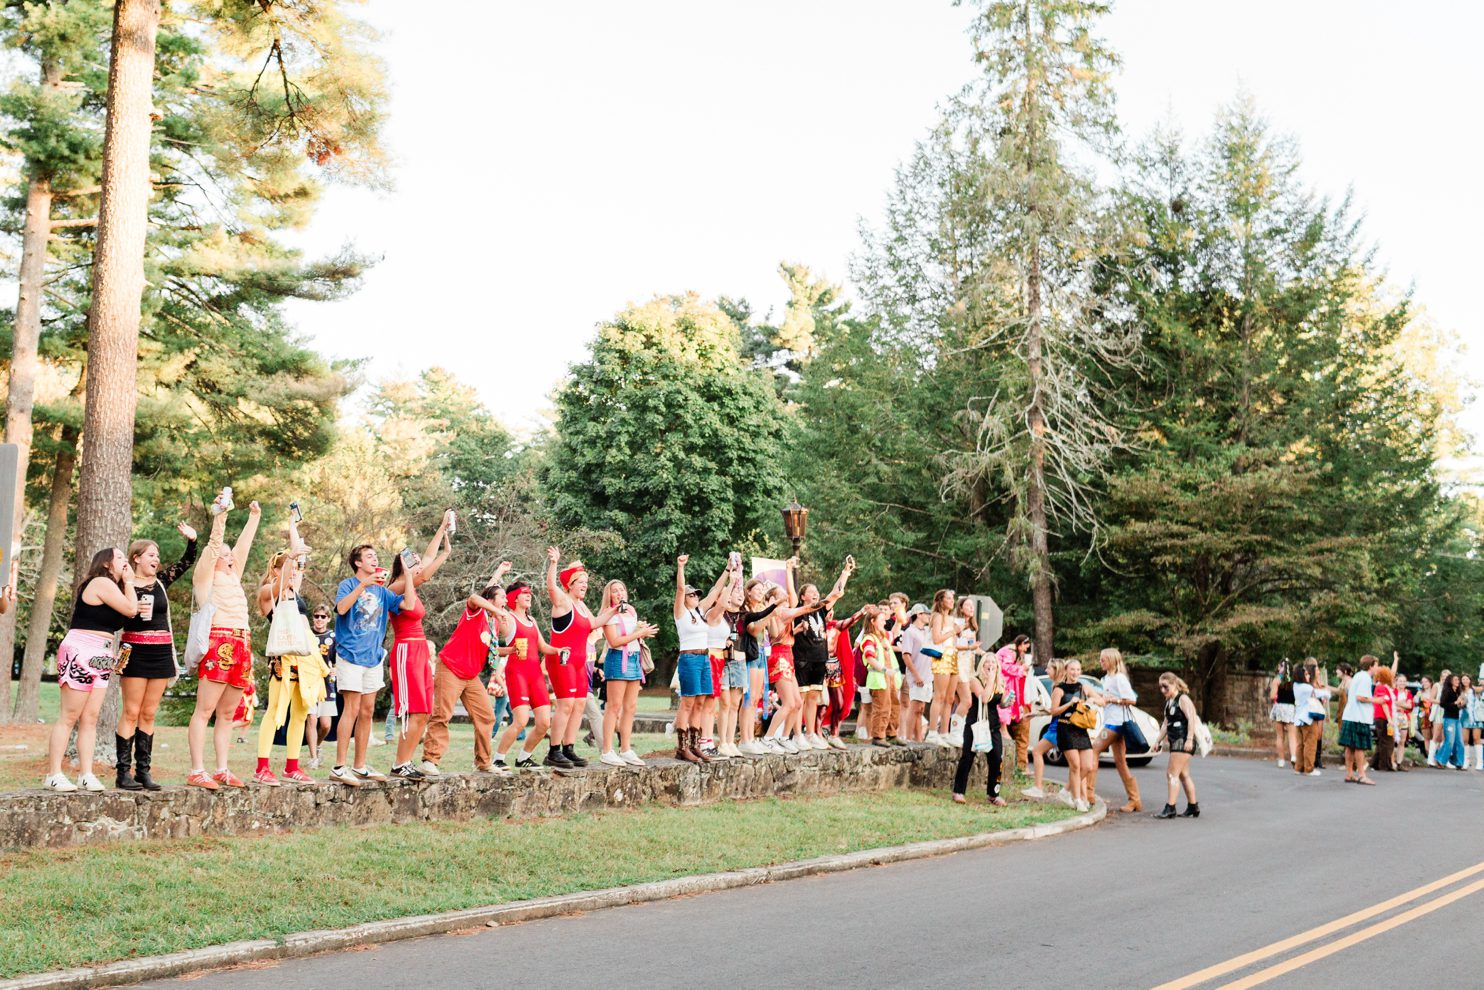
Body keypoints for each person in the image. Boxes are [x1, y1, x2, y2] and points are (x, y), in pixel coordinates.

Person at [43, 548, 140, 792]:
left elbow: (131, 609)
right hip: (81, 648)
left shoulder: (117, 590)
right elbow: (131, 610)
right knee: (69, 715)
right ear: (107, 563)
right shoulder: (100, 582)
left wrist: (128, 584)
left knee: (91, 717)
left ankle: (86, 773)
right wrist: (129, 583)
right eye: (120, 558)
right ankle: (53, 773)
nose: (124, 562)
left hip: (104, 652)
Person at [115, 522, 197, 790]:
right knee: (131, 711)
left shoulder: (161, 581)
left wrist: (192, 540)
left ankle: (143, 772)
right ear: (136, 558)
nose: (157, 559)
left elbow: (187, 561)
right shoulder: (122, 583)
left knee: (149, 713)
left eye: (158, 555)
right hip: (134, 651)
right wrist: (130, 608)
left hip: (161, 652)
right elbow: (114, 618)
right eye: (151, 555)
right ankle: (123, 773)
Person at [421, 562, 513, 777]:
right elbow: (475, 597)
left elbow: (491, 650)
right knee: (442, 714)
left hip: (470, 676)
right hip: (450, 668)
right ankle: (430, 760)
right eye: (502, 598)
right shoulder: (477, 612)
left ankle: (483, 762)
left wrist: (511, 650)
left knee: (487, 716)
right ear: (491, 602)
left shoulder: (492, 623)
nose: (506, 601)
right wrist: (495, 603)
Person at [254, 534, 330, 786]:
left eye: (296, 567)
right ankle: (262, 767)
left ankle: (292, 766)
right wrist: (292, 558)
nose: (294, 571)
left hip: (304, 660)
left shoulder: (295, 595)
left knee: (299, 713)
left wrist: (293, 530)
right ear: (275, 569)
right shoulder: (269, 592)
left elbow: (296, 574)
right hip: (282, 660)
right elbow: (280, 584)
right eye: (288, 566)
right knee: (275, 711)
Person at [331, 541, 405, 786]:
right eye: (369, 557)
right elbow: (341, 608)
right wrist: (363, 584)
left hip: (373, 656)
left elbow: (407, 605)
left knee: (367, 710)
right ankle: (339, 766)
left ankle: (360, 765)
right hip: (350, 654)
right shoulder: (348, 585)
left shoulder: (382, 591)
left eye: (376, 557)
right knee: (351, 708)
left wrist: (410, 576)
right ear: (358, 563)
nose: (375, 560)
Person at [761, 557, 850, 753]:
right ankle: (770, 738)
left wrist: (799, 629)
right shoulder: (781, 612)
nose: (785, 592)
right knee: (790, 703)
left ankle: (784, 737)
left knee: (797, 702)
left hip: (789, 656)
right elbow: (798, 601)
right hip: (783, 657)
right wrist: (788, 569)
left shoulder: (784, 612)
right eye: (781, 592)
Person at [544, 548, 614, 769]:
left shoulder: (582, 606)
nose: (585, 585)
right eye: (580, 581)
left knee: (580, 704)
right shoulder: (563, 602)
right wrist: (554, 563)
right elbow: (550, 587)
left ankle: (568, 747)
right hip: (562, 659)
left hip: (579, 662)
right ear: (571, 584)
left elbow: (594, 624)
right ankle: (553, 751)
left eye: (586, 582)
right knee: (565, 704)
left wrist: (615, 610)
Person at [494, 580, 562, 769]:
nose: (529, 596)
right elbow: (492, 644)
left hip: (535, 675)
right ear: (514, 598)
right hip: (517, 674)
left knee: (544, 722)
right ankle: (498, 759)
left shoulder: (532, 621)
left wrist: (559, 650)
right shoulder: (507, 618)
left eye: (530, 593)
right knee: (521, 720)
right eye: (525, 593)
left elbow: (543, 647)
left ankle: (523, 757)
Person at [671, 555, 731, 763]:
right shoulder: (681, 612)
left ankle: (695, 745)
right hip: (689, 658)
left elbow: (715, 591)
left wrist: (728, 570)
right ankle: (682, 747)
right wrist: (681, 568)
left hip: (705, 659)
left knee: (700, 701)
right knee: (687, 702)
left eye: (696, 594)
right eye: (692, 594)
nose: (695, 596)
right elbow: (680, 590)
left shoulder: (699, 611)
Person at [597, 579, 658, 767]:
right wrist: (639, 634)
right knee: (613, 706)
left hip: (634, 658)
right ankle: (607, 750)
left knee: (630, 707)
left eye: (622, 589)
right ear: (609, 595)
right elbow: (614, 641)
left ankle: (626, 748)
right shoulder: (608, 614)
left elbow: (632, 636)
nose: (619, 593)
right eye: (615, 591)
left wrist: (643, 631)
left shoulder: (631, 610)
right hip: (617, 659)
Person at [952, 643, 1007, 806]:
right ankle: (958, 791)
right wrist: (990, 679)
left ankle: (993, 793)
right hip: (975, 723)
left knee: (997, 758)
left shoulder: (999, 682)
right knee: (967, 757)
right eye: (987, 662)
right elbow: (984, 698)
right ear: (981, 664)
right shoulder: (974, 680)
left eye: (993, 662)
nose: (990, 665)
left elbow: (1000, 703)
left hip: (993, 725)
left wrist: (1007, 701)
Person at [1088, 648, 1141, 812]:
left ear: (1111, 660)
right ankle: (1135, 800)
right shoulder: (1106, 678)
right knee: (1120, 762)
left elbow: (1132, 700)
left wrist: (1113, 700)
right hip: (1112, 721)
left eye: (1103, 659)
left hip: (1116, 723)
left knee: (1093, 750)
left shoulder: (1119, 678)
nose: (1100, 662)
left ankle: (1088, 795)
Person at [1048, 659, 1099, 812]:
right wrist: (1069, 704)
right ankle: (1077, 800)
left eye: (1078, 670)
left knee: (1087, 766)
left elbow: (1100, 700)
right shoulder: (1059, 689)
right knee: (1075, 766)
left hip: (1081, 729)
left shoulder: (1083, 687)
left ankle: (1065, 791)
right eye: (1072, 669)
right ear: (1066, 670)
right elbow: (1053, 711)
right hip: (1065, 728)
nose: (1075, 673)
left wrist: (1091, 699)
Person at [738, 579, 780, 754]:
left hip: (762, 653)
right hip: (750, 654)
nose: (761, 591)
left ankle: (751, 738)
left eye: (763, 589)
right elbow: (754, 630)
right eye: (757, 589)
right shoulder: (745, 609)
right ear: (748, 591)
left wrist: (772, 610)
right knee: (748, 697)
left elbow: (775, 633)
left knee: (756, 698)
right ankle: (744, 738)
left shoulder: (763, 608)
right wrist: (767, 613)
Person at [1151, 672, 1199, 819]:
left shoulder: (1182, 699)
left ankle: (1170, 807)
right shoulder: (1169, 701)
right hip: (1175, 740)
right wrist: (1157, 741)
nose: (1163, 690)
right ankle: (1193, 807)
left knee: (1171, 774)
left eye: (1165, 687)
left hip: (1182, 740)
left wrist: (1189, 739)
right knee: (1184, 775)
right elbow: (1165, 724)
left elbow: (1191, 719)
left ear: (1175, 684)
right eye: (1160, 687)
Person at [1022, 658, 1066, 800]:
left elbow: (1054, 711)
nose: (1046, 670)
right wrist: (1035, 713)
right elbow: (1053, 710)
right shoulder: (1063, 686)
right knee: (1075, 763)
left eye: (1049, 668)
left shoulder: (1057, 688)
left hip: (1056, 728)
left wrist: (1038, 712)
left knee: (1036, 751)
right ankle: (1076, 792)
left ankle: (1038, 787)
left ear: (1056, 670)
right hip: (1062, 726)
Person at [860, 605, 902, 747]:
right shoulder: (869, 638)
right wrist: (884, 670)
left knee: (894, 706)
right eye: (882, 620)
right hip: (879, 678)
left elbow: (895, 632)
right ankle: (878, 736)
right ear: (873, 621)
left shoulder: (883, 636)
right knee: (882, 707)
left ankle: (891, 734)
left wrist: (899, 614)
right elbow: (870, 657)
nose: (885, 622)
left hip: (889, 679)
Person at [925, 589, 959, 746]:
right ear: (941, 600)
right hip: (941, 657)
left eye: (953, 598)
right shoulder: (937, 616)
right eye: (949, 598)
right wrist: (954, 631)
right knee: (939, 696)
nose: (952, 601)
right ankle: (932, 732)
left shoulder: (952, 618)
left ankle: (944, 733)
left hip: (953, 656)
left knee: (950, 698)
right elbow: (937, 638)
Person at [306, 603, 337, 769]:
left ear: (328, 619)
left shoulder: (333, 636)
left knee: (325, 725)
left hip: (327, 685)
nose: (319, 619)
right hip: (309, 683)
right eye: (316, 616)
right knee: (311, 718)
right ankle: (312, 758)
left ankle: (318, 745)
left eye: (322, 617)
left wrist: (335, 670)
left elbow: (337, 660)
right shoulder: (306, 634)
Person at [1339, 655, 1378, 785]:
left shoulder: (1357, 676)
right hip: (1359, 717)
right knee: (1359, 747)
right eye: (1376, 665)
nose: (1377, 668)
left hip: (1350, 715)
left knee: (1349, 746)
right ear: (1371, 666)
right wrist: (1376, 700)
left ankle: (1350, 774)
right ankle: (1362, 775)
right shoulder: (1365, 678)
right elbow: (1360, 697)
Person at [998, 635, 1033, 772]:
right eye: (1025, 646)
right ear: (1019, 644)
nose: (1025, 650)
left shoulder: (1014, 653)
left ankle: (1019, 767)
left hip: (1012, 687)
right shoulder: (1010, 652)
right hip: (1005, 683)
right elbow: (1005, 667)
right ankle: (1018, 767)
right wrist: (1021, 668)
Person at [900, 605, 932, 743]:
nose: (928, 616)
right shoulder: (910, 632)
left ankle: (919, 739)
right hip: (917, 675)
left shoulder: (925, 632)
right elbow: (906, 655)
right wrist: (916, 675)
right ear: (919, 614)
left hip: (927, 675)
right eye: (926, 613)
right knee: (914, 707)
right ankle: (908, 738)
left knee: (920, 709)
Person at [1291, 664, 1329, 776]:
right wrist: (1327, 692)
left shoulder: (1295, 686)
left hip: (1298, 719)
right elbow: (1321, 693)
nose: (1308, 676)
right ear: (1301, 675)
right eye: (1306, 674)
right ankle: (1309, 769)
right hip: (1308, 719)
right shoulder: (1306, 687)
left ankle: (1299, 767)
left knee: (1300, 744)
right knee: (1310, 744)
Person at [1369, 664, 1398, 774]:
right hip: (1383, 717)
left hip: (1383, 717)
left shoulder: (1384, 687)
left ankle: (1375, 763)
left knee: (1382, 741)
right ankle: (1385, 764)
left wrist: (1395, 660)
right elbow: (1384, 704)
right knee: (1387, 741)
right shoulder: (1381, 687)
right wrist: (1389, 719)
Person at [1434, 673, 1466, 770]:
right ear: (1451, 681)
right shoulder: (1447, 691)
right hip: (1449, 719)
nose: (1458, 681)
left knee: (1460, 742)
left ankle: (1459, 762)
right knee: (1450, 742)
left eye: (1458, 680)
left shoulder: (1458, 691)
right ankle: (1440, 759)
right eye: (1456, 680)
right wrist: (1455, 703)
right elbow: (1443, 704)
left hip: (1457, 720)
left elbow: (1459, 707)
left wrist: (1461, 704)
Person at [1268, 661, 1297, 768]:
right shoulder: (1294, 681)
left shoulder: (1277, 680)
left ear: (1281, 668)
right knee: (1292, 736)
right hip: (1291, 708)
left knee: (1280, 736)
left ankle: (1281, 760)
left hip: (1279, 707)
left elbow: (1272, 696)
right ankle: (1294, 756)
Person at [1463, 674, 1484, 771]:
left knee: (1476, 738)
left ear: (1470, 680)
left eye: (1467, 679)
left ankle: (1479, 762)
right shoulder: (1460, 691)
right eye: (1463, 679)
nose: (1465, 681)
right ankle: (1466, 761)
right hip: (1464, 717)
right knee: (1465, 740)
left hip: (1475, 717)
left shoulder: (1474, 689)